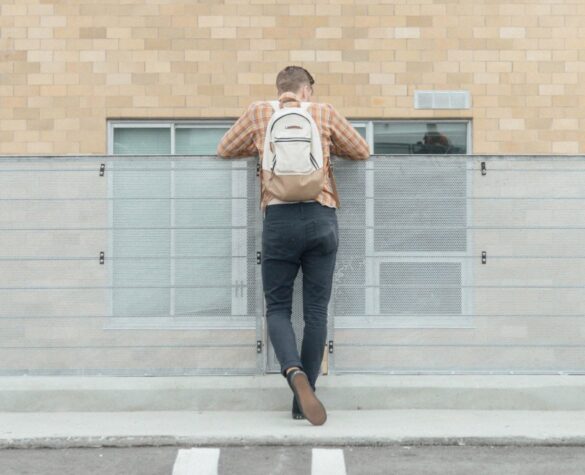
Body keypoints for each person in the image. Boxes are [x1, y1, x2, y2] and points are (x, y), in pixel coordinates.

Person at [217, 65, 370, 425]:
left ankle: (292, 371)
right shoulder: (324, 113)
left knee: (278, 308)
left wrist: (260, 150)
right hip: (321, 218)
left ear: (280, 89)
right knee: (316, 312)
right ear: (306, 90)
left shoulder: (259, 113)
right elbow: (361, 150)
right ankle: (306, 396)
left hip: (279, 219)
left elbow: (224, 149)